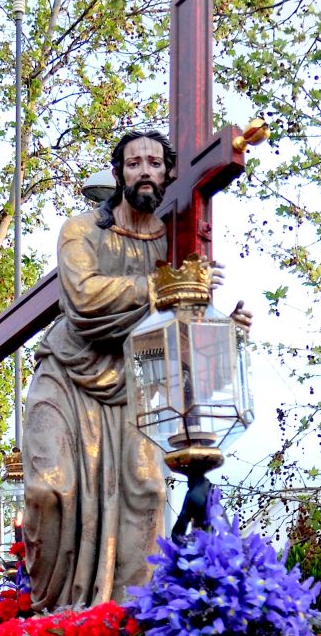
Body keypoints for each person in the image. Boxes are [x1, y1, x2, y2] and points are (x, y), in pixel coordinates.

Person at [23, 129, 248, 609]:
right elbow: (83, 299)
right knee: (48, 489)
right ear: (118, 173)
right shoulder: (82, 231)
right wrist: (156, 287)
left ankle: (124, 621)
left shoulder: (178, 245)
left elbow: (184, 328)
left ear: (168, 172)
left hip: (137, 385)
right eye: (133, 163)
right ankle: (52, 613)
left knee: (146, 493)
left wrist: (226, 329)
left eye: (153, 162)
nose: (144, 170)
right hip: (67, 375)